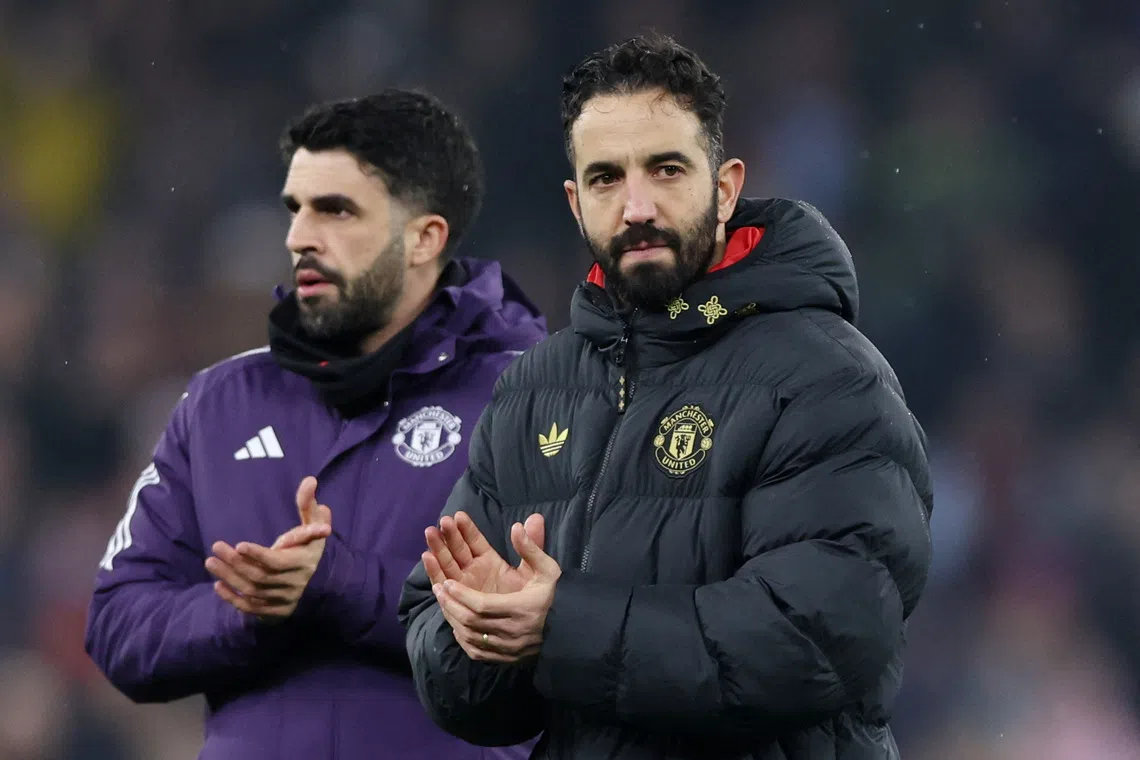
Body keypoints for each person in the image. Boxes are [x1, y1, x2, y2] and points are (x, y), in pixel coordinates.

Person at [399, 34, 934, 760]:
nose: (637, 206)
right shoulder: (534, 389)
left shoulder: (829, 379)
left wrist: (559, 626)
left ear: (725, 188)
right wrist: (482, 631)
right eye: (606, 179)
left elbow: (815, 642)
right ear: (574, 201)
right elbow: (439, 644)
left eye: (666, 169)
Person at [84, 90, 546, 759]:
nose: (299, 235)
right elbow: (119, 624)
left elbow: (547, 623)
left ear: (425, 237)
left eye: (335, 209)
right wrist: (245, 610)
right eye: (295, 209)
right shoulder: (220, 403)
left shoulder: (529, 396)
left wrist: (339, 583)